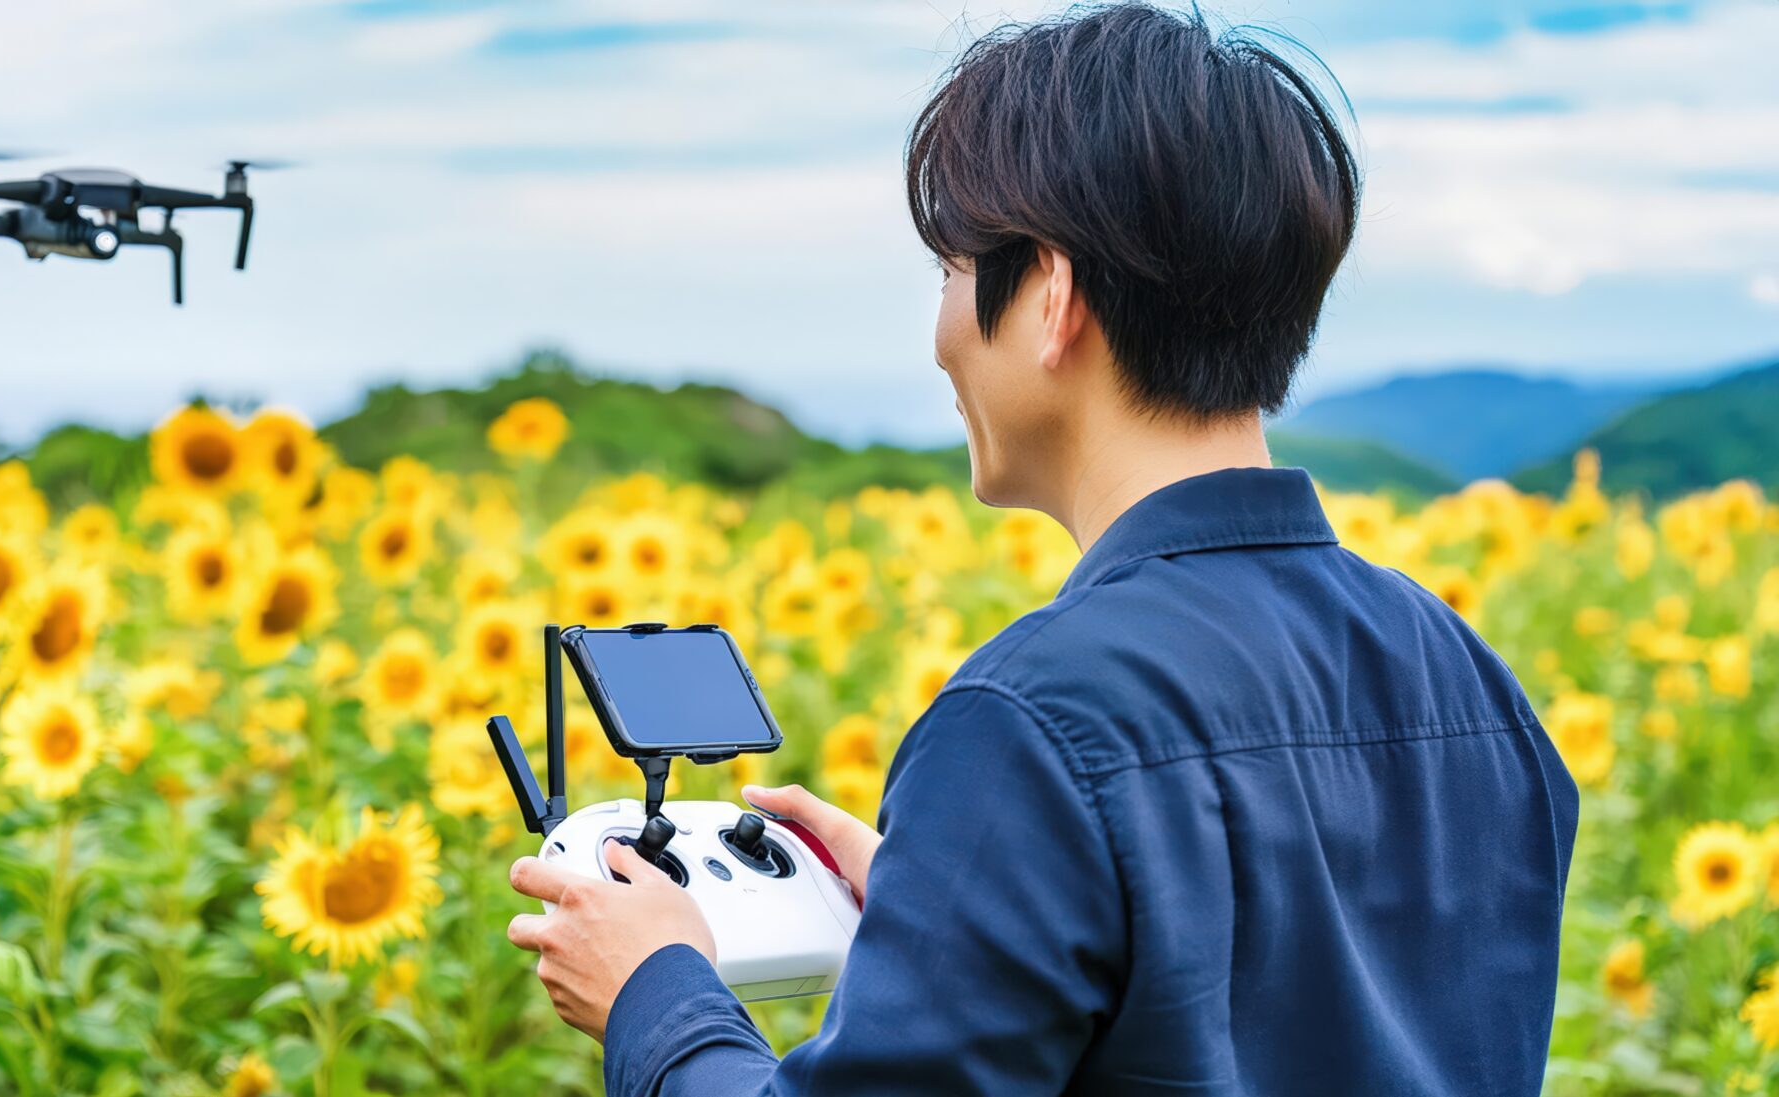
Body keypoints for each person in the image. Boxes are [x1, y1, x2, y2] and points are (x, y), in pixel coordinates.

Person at [505, 5, 1578, 1094]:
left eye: (950, 271)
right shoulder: (1469, 678)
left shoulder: (1032, 723)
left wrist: (656, 990)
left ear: (1052, 295)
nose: (939, 336)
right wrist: (963, 911)